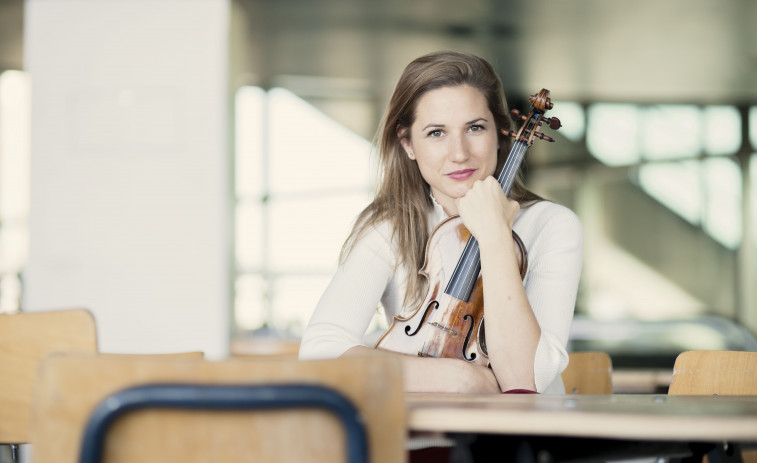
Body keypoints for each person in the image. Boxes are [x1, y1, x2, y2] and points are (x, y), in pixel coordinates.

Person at [299, 50, 582, 395]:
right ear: (408, 144)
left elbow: (524, 383)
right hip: (416, 437)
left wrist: (494, 235)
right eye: (436, 133)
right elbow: (319, 352)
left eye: (475, 128)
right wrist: (462, 378)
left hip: (519, 443)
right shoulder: (389, 226)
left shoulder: (551, 225)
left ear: (500, 133)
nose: (459, 153)